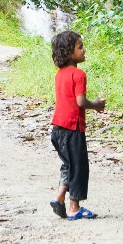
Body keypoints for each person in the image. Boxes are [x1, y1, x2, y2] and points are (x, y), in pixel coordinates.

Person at [48, 28, 105, 220]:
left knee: (68, 165)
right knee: (79, 167)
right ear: (69, 52)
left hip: (57, 129)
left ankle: (59, 197)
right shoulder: (78, 75)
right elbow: (80, 102)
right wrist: (96, 105)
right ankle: (74, 207)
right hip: (73, 129)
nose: (84, 50)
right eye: (80, 47)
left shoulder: (60, 74)